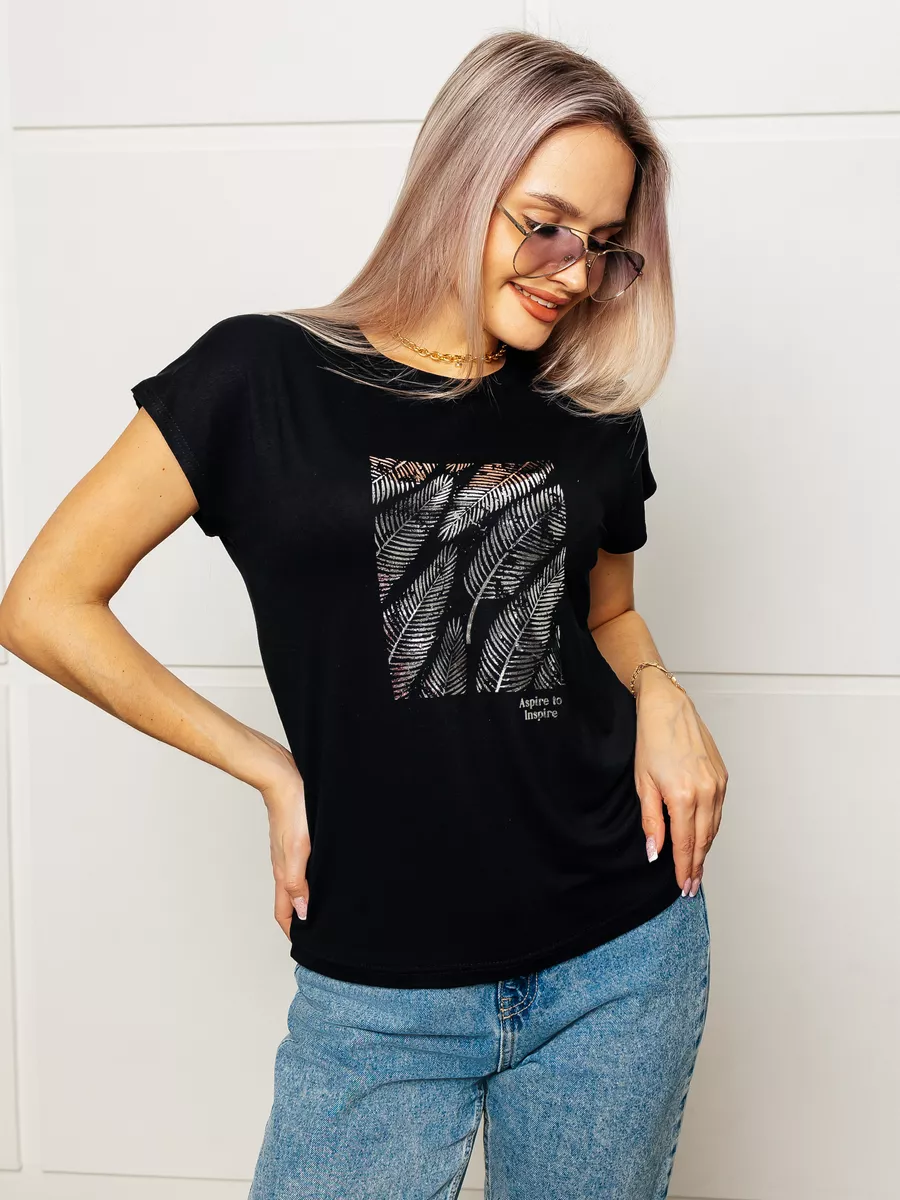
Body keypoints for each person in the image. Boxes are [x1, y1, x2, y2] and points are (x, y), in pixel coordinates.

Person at [0, 28, 728, 1200]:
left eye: (603, 246)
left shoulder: (590, 410)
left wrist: (664, 694)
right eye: (546, 224)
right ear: (458, 182)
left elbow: (608, 620)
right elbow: (42, 604)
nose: (573, 272)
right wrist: (268, 769)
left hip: (620, 957)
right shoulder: (261, 376)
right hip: (380, 987)